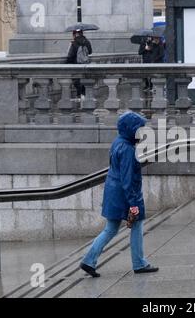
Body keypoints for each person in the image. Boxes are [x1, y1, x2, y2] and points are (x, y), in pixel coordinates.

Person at [80, 111, 159, 277]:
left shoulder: (118, 143)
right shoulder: (128, 150)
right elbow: (128, 180)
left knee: (111, 228)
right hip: (126, 196)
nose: (142, 132)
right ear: (131, 129)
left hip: (114, 193)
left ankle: (89, 260)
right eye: (139, 129)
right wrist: (134, 203)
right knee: (136, 225)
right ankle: (139, 263)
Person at [66, 29, 93, 101]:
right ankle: (84, 95)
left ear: (75, 34)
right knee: (84, 79)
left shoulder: (74, 43)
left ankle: (79, 96)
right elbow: (90, 52)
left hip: (76, 64)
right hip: (85, 64)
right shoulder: (87, 41)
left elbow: (70, 56)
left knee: (76, 80)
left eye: (73, 34)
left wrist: (67, 63)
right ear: (82, 33)